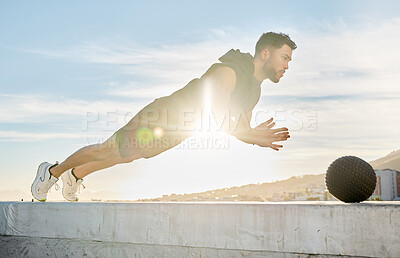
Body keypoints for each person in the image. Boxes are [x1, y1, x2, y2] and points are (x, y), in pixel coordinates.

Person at [31, 32, 296, 202]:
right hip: (161, 117)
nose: (286, 65)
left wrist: (253, 137)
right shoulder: (230, 70)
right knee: (107, 150)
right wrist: (249, 136)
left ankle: (75, 175)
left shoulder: (254, 90)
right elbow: (218, 115)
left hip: (177, 132)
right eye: (284, 57)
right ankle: (52, 171)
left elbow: (239, 127)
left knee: (124, 156)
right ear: (265, 53)